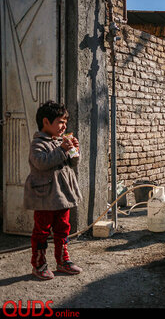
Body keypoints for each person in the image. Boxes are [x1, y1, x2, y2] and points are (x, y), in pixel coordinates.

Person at [24, 100, 83, 280]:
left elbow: (73, 163)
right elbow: (42, 163)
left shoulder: (61, 142)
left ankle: (63, 261)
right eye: (60, 122)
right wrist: (62, 150)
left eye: (65, 122)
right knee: (42, 230)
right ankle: (39, 264)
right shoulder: (38, 143)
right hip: (44, 197)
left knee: (63, 228)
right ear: (46, 122)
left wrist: (73, 150)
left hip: (62, 196)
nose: (64, 126)